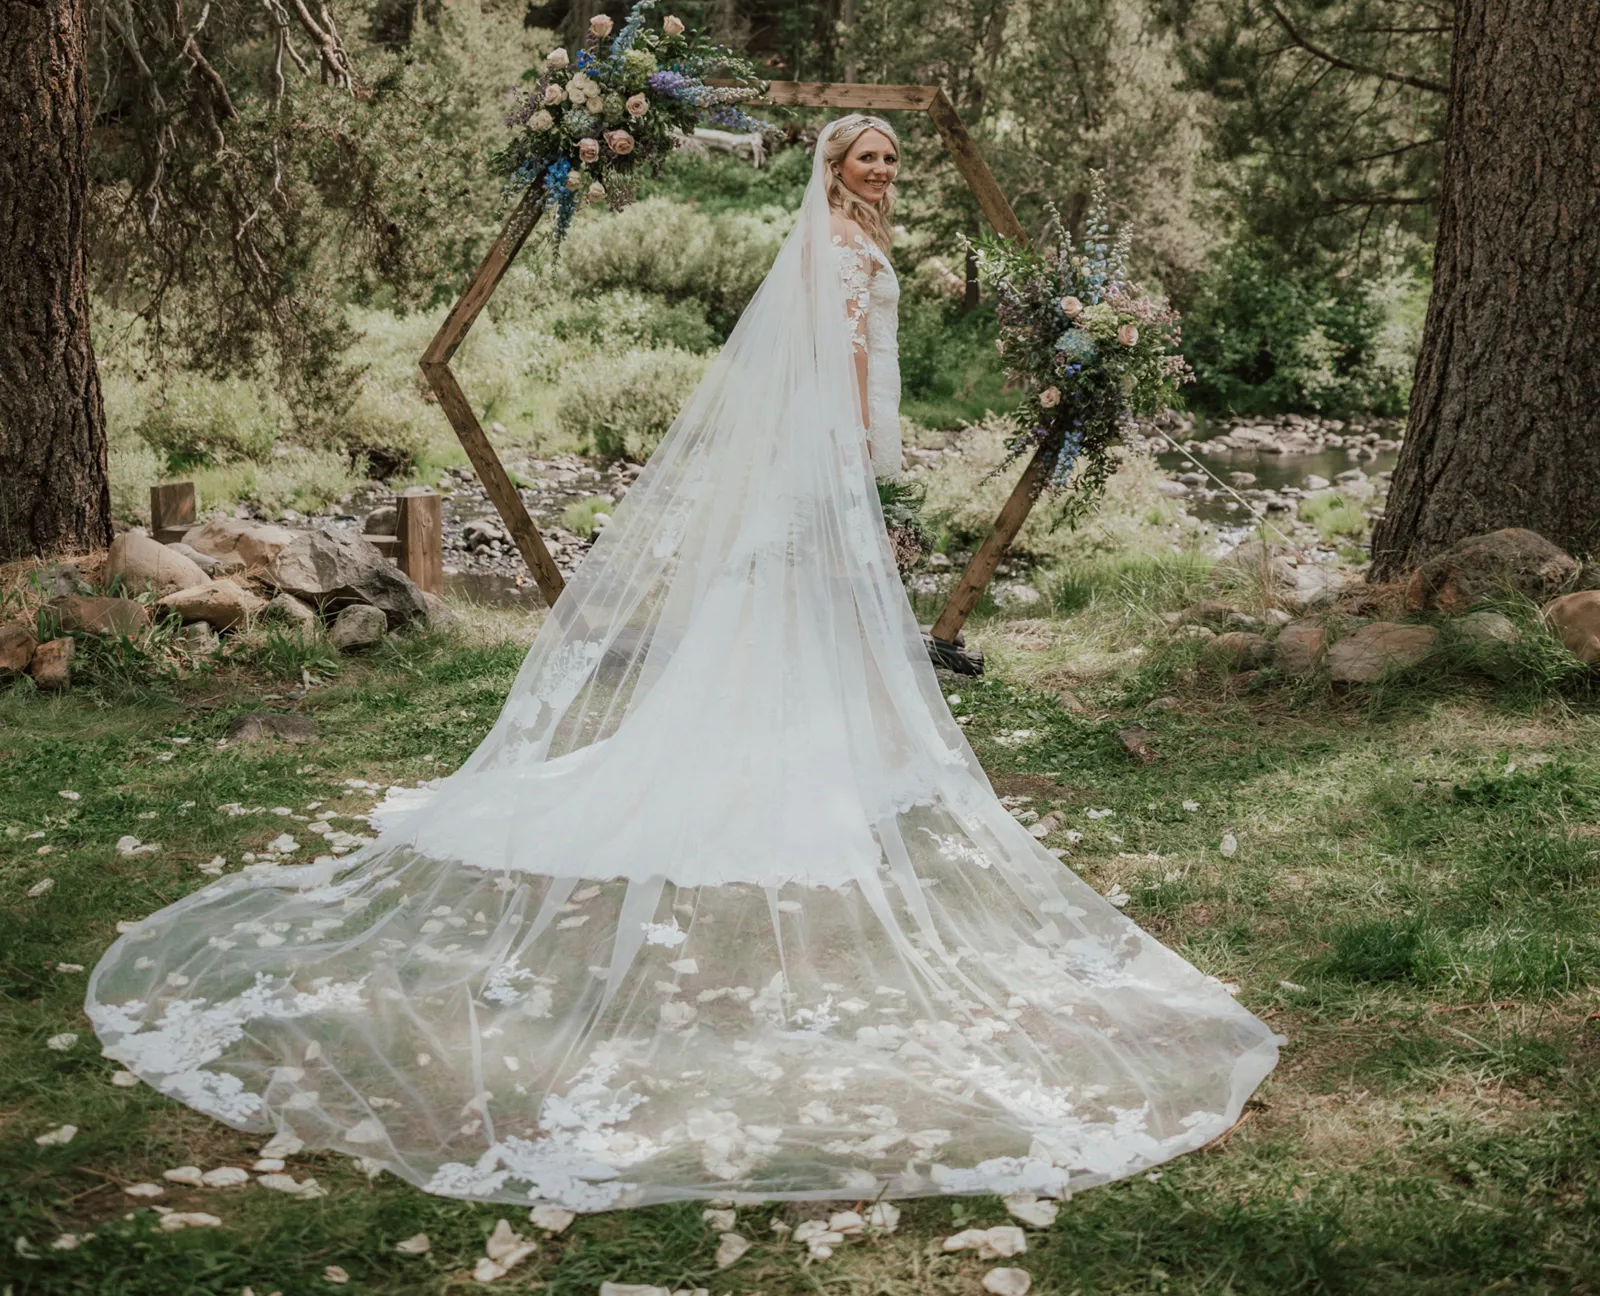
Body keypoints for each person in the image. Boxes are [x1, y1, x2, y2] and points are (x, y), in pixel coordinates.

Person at [88, 118, 1276, 1211]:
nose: (885, 173)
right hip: (829, 455)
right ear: (828, 169)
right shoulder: (847, 259)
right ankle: (775, 743)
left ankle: (790, 729)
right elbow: (851, 367)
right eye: (867, 159)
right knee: (801, 592)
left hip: (815, 458)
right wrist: (869, 463)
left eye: (895, 162)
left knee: (789, 599)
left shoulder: (837, 247)